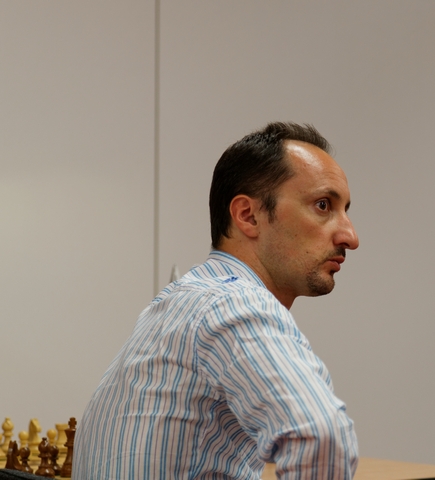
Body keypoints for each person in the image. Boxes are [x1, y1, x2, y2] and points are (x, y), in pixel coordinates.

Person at [74, 122, 360, 479]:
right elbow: (321, 437)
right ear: (248, 215)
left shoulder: (183, 302)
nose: (350, 236)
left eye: (346, 210)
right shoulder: (233, 305)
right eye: (323, 205)